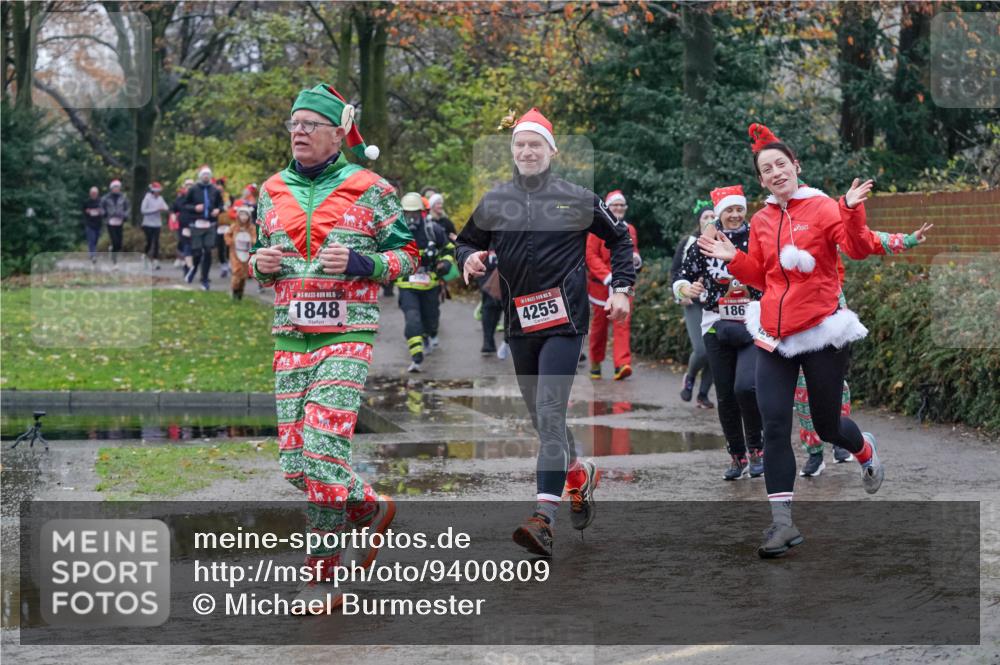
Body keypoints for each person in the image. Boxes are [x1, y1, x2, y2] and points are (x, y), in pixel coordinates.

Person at [249, 82, 418, 613]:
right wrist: (259, 265)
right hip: (290, 335)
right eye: (293, 125)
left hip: (347, 335)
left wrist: (364, 264)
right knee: (297, 466)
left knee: (323, 456)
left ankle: (321, 579)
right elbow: (256, 255)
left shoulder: (373, 189)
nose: (297, 133)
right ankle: (370, 506)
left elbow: (410, 256)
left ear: (337, 133)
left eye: (309, 125)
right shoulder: (270, 188)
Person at [698, 122, 885, 558]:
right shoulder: (762, 219)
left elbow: (856, 249)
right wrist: (734, 259)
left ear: (796, 166)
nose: (777, 172)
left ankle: (864, 448)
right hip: (773, 335)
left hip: (821, 331)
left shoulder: (824, 208)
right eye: (768, 168)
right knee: (776, 424)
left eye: (782, 163)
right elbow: (761, 274)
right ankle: (781, 524)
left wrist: (852, 210)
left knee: (826, 425)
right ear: (761, 180)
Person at [455, 107, 636, 556]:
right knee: (541, 419)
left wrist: (621, 288)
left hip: (565, 322)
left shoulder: (577, 197)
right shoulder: (496, 201)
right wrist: (468, 259)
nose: (527, 151)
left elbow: (620, 240)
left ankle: (543, 517)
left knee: (552, 411)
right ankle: (578, 473)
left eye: (535, 144)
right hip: (520, 324)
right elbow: (466, 241)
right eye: (520, 144)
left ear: (551, 151)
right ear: (512, 152)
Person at [796, 222, 933, 476]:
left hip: (828, 317)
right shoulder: (774, 224)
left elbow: (862, 238)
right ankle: (814, 452)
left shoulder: (819, 219)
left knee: (834, 387)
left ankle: (842, 439)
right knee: (802, 391)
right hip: (791, 320)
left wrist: (906, 239)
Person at [675, 185, 764, 480]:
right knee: (725, 395)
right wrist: (689, 288)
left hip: (751, 321)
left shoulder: (756, 236)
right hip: (715, 321)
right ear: (720, 213)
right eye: (729, 210)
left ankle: (757, 449)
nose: (735, 215)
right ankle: (737, 456)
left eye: (739, 209)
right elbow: (682, 277)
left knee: (745, 388)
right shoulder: (705, 241)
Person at [395, 191, 455, 372]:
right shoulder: (395, 232)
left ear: (421, 212)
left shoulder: (432, 229)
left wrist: (445, 263)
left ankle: (430, 335)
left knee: (431, 321)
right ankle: (417, 357)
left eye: (414, 213)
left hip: (430, 286)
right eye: (407, 213)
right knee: (412, 320)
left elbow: (448, 248)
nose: (411, 218)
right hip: (407, 287)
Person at [586, 190, 641, 381]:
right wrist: (607, 276)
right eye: (614, 205)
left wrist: (636, 261)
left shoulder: (629, 229)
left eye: (621, 205)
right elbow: (591, 256)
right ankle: (595, 362)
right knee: (599, 326)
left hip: (623, 285)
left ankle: (622, 364)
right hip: (601, 285)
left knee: (622, 322)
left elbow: (632, 252)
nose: (618, 208)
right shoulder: (598, 228)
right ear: (607, 208)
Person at [671, 200, 715, 408]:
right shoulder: (688, 242)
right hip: (694, 303)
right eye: (705, 217)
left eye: (712, 216)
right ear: (699, 222)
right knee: (702, 349)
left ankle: (703, 394)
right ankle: (689, 378)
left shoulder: (725, 241)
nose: (709, 220)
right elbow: (676, 271)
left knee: (717, 351)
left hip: (717, 303)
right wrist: (682, 292)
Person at [183, 165, 224, 289]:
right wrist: (195, 208)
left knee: (207, 251)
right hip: (196, 223)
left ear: (210, 176)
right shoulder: (193, 189)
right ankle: (193, 269)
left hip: (210, 224)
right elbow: (185, 205)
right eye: (204, 174)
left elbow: (221, 205)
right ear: (200, 176)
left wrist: (218, 210)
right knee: (197, 252)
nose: (206, 176)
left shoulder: (215, 190)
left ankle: (204, 279)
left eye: (208, 174)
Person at [224, 205, 256, 300]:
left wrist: (253, 241)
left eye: (245, 215)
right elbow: (227, 235)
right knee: (236, 272)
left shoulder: (252, 228)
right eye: (241, 215)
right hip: (235, 253)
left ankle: (240, 292)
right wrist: (230, 241)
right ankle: (234, 291)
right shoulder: (234, 227)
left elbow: (255, 238)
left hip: (246, 254)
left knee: (244, 275)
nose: (243, 217)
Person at [140, 182, 169, 269]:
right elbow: (143, 210)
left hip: (157, 224)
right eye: (156, 191)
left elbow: (166, 207)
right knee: (149, 241)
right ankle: (145, 255)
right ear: (153, 191)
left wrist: (163, 209)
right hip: (147, 224)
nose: (158, 193)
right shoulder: (147, 198)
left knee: (156, 242)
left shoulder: (160, 198)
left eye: (159, 192)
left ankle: (156, 260)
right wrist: (155, 209)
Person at [100, 179, 130, 264]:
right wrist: (104, 213)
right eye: (115, 187)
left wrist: (125, 215)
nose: (116, 189)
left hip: (120, 221)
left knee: (119, 243)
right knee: (115, 240)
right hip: (110, 221)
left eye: (118, 187)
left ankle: (113, 249)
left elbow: (128, 207)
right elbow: (101, 207)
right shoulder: (106, 198)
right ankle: (114, 259)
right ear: (111, 188)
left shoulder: (123, 197)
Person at [172, 179, 194, 270]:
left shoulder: (197, 198)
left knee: (194, 244)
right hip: (183, 224)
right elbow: (173, 208)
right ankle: (184, 260)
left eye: (191, 185)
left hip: (195, 224)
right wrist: (173, 215)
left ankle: (190, 260)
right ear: (184, 187)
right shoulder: (180, 199)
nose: (189, 187)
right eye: (187, 185)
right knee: (184, 242)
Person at [215, 176, 232, 279]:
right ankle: (223, 265)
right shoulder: (213, 196)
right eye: (217, 185)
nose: (219, 187)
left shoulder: (228, 196)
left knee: (228, 246)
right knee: (219, 246)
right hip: (217, 224)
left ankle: (230, 264)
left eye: (220, 185)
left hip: (228, 224)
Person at [82, 186, 103, 264]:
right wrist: (87, 211)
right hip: (89, 223)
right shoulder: (86, 202)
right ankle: (92, 255)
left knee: (96, 240)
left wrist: (100, 211)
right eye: (92, 193)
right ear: (90, 194)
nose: (93, 195)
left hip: (98, 223)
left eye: (95, 193)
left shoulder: (101, 202)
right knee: (91, 239)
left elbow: (104, 211)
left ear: (97, 194)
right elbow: (83, 211)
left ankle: (93, 252)